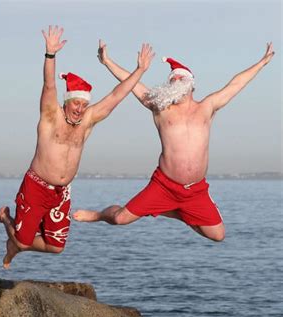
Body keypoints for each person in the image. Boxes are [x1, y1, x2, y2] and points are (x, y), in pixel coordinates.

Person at [73, 41, 275, 241]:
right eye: (172, 79)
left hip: (195, 190)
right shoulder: (160, 107)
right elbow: (131, 84)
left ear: (190, 84)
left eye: (180, 77)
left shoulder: (206, 107)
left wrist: (261, 63)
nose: (175, 80)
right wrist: (107, 61)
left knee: (218, 235)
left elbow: (236, 84)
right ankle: (98, 215)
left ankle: (173, 211)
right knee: (119, 218)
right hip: (164, 185)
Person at [0, 26, 155, 268]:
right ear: (67, 102)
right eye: (75, 103)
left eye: (83, 104)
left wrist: (140, 70)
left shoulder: (87, 121)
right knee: (24, 243)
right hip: (36, 186)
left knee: (55, 247)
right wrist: (50, 55)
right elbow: (48, 86)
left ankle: (15, 241)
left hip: (61, 191)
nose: (79, 108)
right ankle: (6, 218)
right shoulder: (50, 116)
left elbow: (116, 96)